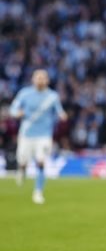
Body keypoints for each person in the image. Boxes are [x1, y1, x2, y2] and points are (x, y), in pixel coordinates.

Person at [10, 69, 67, 204]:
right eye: (38, 77)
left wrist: (62, 116)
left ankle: (38, 192)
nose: (40, 80)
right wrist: (17, 113)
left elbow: (59, 111)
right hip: (26, 134)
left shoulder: (52, 96)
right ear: (33, 79)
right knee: (23, 160)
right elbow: (13, 109)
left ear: (47, 80)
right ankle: (22, 169)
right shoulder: (25, 93)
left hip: (44, 135)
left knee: (41, 162)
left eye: (43, 78)